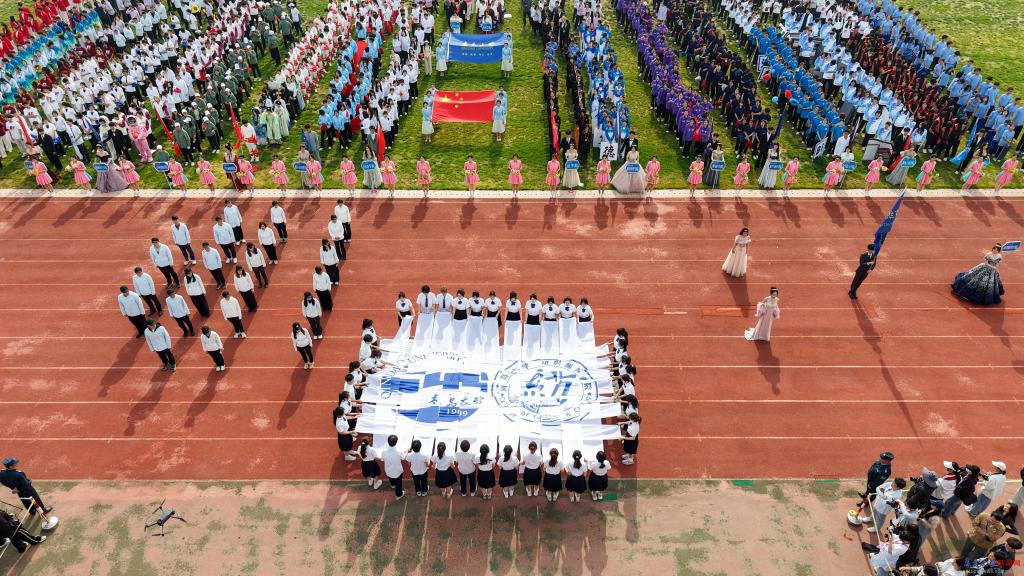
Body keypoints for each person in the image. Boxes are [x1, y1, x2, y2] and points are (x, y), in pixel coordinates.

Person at [0, 457, 57, 531]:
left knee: (25, 501)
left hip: (20, 492)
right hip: (28, 490)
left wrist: (13, 488)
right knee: (36, 500)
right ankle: (43, 511)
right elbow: (26, 484)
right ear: (11, 466)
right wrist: (28, 482)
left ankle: (32, 511)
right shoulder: (19, 474)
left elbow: (3, 482)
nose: (16, 463)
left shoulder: (2, 473)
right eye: (14, 463)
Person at [334, 393, 359, 460]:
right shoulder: (339, 423)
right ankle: (347, 456)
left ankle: (349, 451)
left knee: (349, 444)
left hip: (347, 433)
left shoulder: (341, 416)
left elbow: (346, 417)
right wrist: (351, 432)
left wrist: (355, 416)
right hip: (344, 436)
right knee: (346, 447)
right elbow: (342, 433)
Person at [381, 435, 406, 500]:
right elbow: (403, 458)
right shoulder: (399, 451)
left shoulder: (384, 451)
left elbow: (382, 459)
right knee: (399, 483)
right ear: (396, 442)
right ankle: (399, 495)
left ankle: (392, 485)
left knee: (391, 478)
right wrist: (406, 451)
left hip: (388, 469)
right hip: (397, 471)